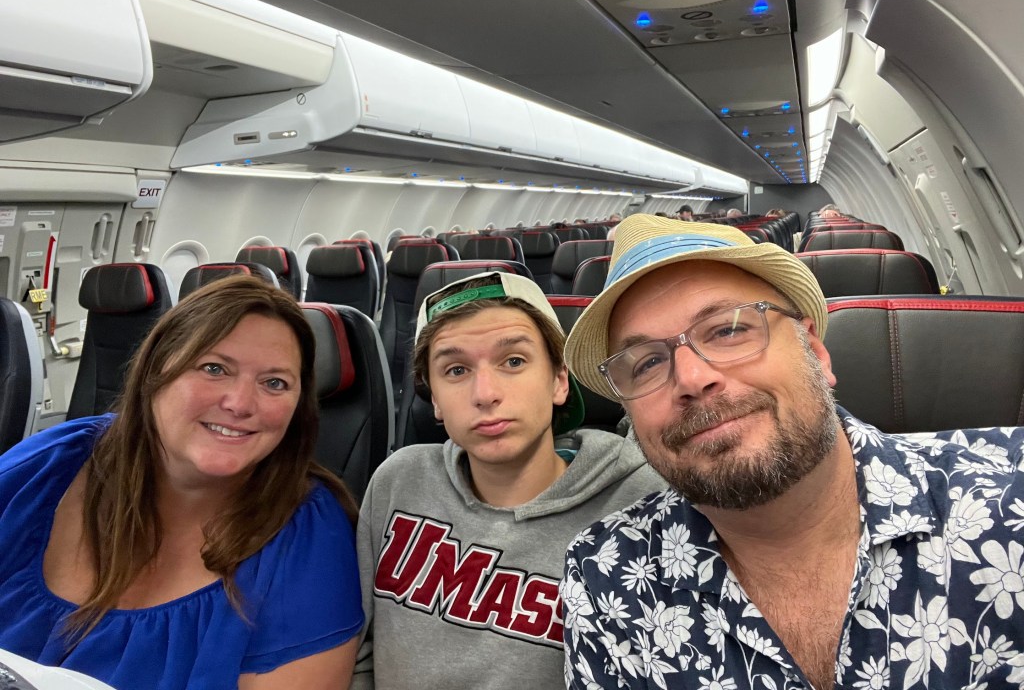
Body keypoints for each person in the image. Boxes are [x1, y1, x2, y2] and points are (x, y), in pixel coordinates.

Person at [560, 214, 1024, 689]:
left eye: (727, 330)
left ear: (816, 353)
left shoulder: (1010, 501)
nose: (692, 380)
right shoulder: (606, 577)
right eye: (647, 363)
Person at [0, 276, 363, 689]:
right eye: (214, 369)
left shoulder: (308, 539)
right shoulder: (47, 466)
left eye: (274, 383)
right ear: (156, 370)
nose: (240, 404)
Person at [352, 272, 664, 689]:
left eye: (514, 361)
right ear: (436, 401)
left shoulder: (643, 503)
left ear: (559, 381)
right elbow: (358, 652)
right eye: (456, 370)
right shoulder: (397, 482)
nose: (485, 394)